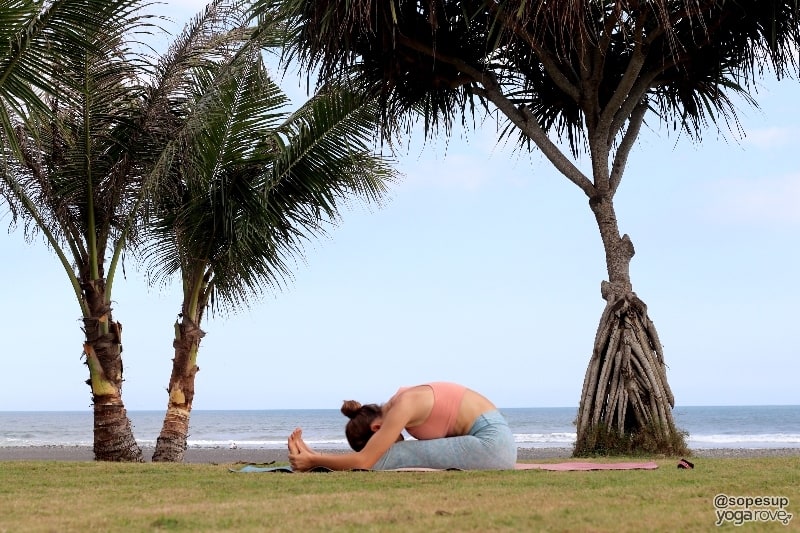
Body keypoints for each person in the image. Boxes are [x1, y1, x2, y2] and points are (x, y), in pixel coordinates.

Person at [287, 382, 517, 471]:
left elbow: (365, 461)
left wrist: (313, 460)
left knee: (386, 458)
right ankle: (314, 456)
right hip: (493, 441)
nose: (387, 444)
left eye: (380, 443)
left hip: (493, 446)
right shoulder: (400, 402)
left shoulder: (401, 408)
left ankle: (313, 458)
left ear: (376, 429)